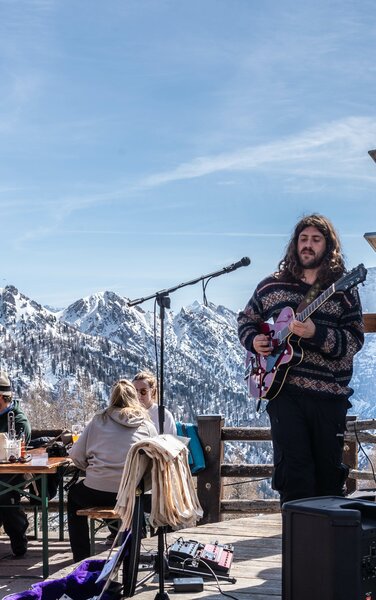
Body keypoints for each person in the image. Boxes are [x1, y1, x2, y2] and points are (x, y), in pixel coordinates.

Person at [237, 214, 364, 505]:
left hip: (328, 398)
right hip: (285, 394)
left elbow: (354, 341)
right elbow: (247, 319)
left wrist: (315, 333)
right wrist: (254, 341)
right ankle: (295, 543)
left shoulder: (343, 290)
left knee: (328, 478)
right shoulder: (272, 286)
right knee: (293, 474)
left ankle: (326, 547)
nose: (308, 245)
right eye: (303, 239)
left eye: (315, 240)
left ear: (328, 246)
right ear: (295, 244)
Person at [67, 378, 157, 562]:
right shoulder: (147, 426)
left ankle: (81, 558)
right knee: (139, 501)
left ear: (112, 398)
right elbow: (154, 460)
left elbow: (76, 455)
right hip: (130, 493)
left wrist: (91, 469)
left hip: (96, 490)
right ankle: (135, 555)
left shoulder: (98, 421)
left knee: (73, 496)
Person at [0, 370, 31, 557]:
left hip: (13, 474)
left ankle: (18, 540)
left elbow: (19, 448)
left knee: (3, 495)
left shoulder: (17, 419)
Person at [133, 370, 177, 435]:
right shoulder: (128, 414)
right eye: (135, 391)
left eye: (143, 391)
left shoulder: (165, 416)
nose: (138, 395)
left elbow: (172, 441)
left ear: (152, 392)